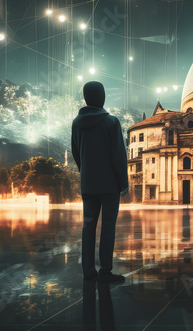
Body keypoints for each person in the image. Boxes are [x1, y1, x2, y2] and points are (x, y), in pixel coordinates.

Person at [71, 81, 129, 283]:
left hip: (88, 184)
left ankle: (88, 271)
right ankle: (105, 271)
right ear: (101, 97)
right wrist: (123, 181)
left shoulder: (77, 123)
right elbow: (118, 156)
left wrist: (86, 172)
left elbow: (76, 152)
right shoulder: (111, 122)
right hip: (109, 185)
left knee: (88, 227)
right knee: (108, 226)